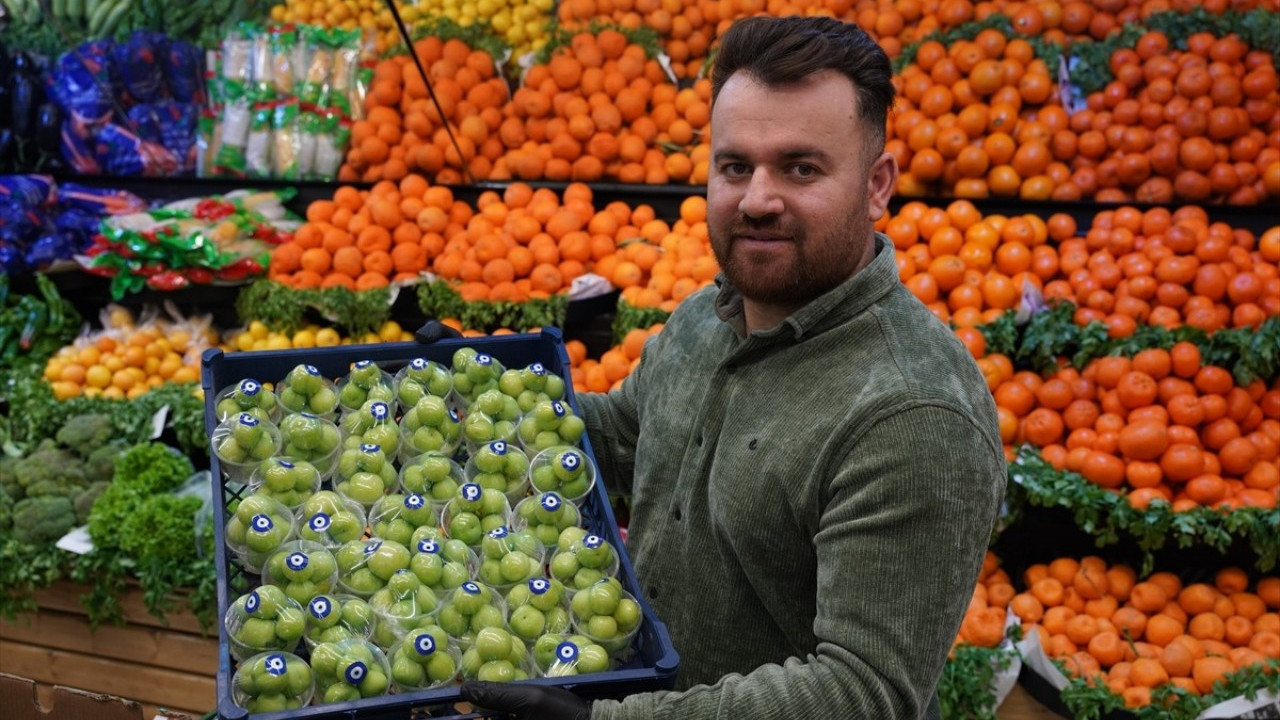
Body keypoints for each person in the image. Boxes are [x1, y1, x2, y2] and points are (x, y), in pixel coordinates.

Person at [462, 15, 1007, 720]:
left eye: (801, 168)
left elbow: (862, 691)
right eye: (735, 166)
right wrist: (472, 393)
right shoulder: (707, 314)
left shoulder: (913, 414)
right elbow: (622, 439)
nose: (756, 200)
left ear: (877, 186)